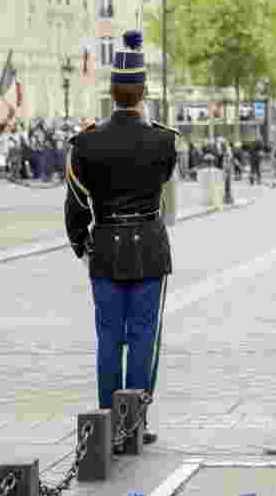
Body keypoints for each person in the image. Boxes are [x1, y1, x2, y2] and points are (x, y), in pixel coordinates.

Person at [64, 30, 178, 447]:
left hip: (106, 246)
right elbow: (163, 179)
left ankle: (109, 420)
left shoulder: (86, 143)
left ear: (111, 93)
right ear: (143, 92)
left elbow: (76, 203)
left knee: (109, 335)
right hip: (148, 243)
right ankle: (136, 422)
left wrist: (81, 243)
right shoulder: (164, 140)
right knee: (144, 334)